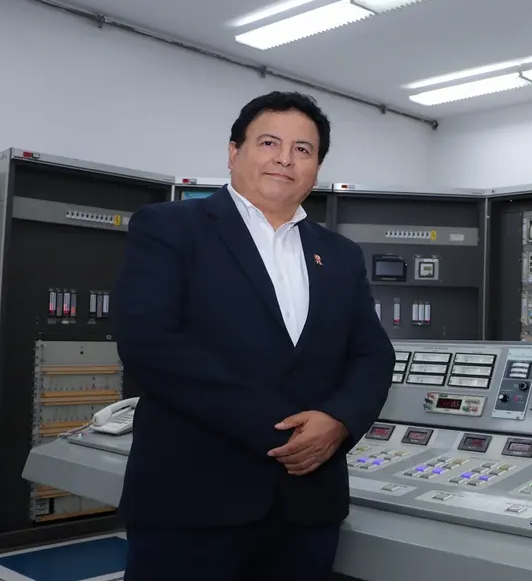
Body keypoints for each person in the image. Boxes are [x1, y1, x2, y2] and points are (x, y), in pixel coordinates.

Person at [114, 91, 396, 581]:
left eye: (303, 150)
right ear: (234, 151)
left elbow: (372, 354)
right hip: (192, 504)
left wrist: (339, 420)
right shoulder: (170, 227)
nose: (285, 159)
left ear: (317, 166)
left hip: (308, 507)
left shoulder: (340, 254)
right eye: (269, 142)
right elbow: (150, 343)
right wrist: (282, 431)